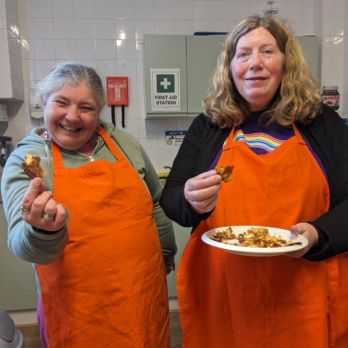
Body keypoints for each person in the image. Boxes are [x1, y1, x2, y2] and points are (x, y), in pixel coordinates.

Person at [160, 15, 348, 348]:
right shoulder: (210, 125)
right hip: (223, 293)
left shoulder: (322, 124)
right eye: (243, 54)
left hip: (304, 292)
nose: (255, 64)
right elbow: (172, 197)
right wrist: (189, 200)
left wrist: (318, 234)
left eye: (267, 52)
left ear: (286, 62)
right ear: (230, 65)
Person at [1, 62, 177, 348]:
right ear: (44, 102)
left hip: (141, 293)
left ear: (98, 112)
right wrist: (42, 231)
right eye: (62, 102)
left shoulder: (125, 144)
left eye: (86, 107)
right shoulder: (29, 161)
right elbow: (21, 243)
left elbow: (154, 204)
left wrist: (166, 251)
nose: (72, 116)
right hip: (78, 310)